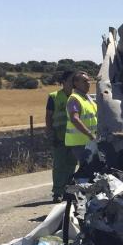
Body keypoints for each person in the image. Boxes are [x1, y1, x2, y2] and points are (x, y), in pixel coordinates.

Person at [45, 71, 76, 202]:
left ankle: (68, 190)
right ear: (63, 82)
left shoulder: (77, 97)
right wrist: (50, 133)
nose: (72, 83)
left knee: (71, 164)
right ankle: (58, 191)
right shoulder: (54, 97)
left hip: (74, 137)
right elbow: (48, 116)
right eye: (70, 80)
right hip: (60, 136)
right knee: (59, 165)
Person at [64, 70, 98, 162]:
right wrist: (89, 134)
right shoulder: (74, 99)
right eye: (85, 81)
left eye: (89, 81)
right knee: (87, 169)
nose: (88, 83)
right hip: (80, 143)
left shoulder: (88, 98)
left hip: (90, 141)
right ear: (76, 83)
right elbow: (74, 119)